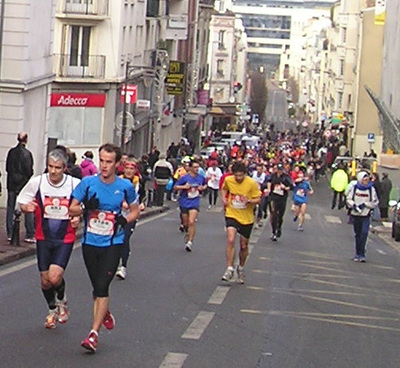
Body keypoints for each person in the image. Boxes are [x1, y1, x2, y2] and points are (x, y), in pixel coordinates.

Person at [69, 143, 140, 353]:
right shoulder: (88, 183)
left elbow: (135, 211)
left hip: (113, 243)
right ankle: (104, 311)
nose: (104, 166)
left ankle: (93, 334)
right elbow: (71, 208)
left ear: (117, 164)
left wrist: (124, 220)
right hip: (90, 242)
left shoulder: (125, 186)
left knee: (102, 286)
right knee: (96, 287)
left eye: (109, 162)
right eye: (102, 161)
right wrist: (84, 207)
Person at [17, 149, 81, 328]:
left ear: (65, 168)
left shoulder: (74, 184)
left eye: (58, 168)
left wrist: (77, 216)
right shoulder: (37, 182)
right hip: (43, 236)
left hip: (65, 236)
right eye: (50, 167)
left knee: (55, 277)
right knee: (45, 281)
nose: (53, 171)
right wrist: (26, 207)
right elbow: (22, 201)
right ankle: (52, 309)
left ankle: (62, 300)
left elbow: (83, 206)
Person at [221, 161, 261, 284]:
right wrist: (224, 199)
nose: (238, 178)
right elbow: (224, 189)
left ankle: (241, 267)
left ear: (244, 174)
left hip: (246, 217)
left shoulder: (251, 183)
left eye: (241, 175)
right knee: (231, 239)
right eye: (236, 175)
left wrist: (250, 201)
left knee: (243, 245)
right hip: (232, 213)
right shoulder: (228, 180)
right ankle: (229, 269)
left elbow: (258, 199)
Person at [116, 156, 145, 280]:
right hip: (118, 213)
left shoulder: (139, 182)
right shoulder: (117, 180)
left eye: (131, 169)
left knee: (125, 238)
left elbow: (142, 196)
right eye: (126, 168)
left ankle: (123, 266)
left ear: (135, 171)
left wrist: (142, 204)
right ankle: (115, 261)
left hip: (131, 214)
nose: (128, 171)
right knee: (115, 239)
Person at [6, 132, 35, 242]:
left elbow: (7, 168)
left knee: (10, 207)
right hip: (23, 184)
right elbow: (29, 170)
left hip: (12, 183)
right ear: (26, 140)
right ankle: (29, 233)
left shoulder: (11, 152)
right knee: (27, 208)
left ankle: (10, 232)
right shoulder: (27, 154)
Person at [174, 159, 207, 252]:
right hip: (184, 201)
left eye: (198, 167)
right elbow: (175, 187)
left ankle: (189, 242)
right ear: (190, 168)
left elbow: (205, 185)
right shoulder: (185, 178)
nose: (197, 169)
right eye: (195, 167)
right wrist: (184, 187)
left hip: (194, 202)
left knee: (192, 221)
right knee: (186, 223)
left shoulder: (201, 177)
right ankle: (187, 232)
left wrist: (202, 188)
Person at [346, 171, 379, 262]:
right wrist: (354, 205)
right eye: (364, 179)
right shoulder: (355, 188)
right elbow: (349, 199)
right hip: (356, 214)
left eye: (367, 179)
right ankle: (357, 253)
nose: (366, 181)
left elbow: (375, 202)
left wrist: (365, 204)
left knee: (364, 233)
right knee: (358, 234)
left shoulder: (371, 189)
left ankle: (362, 253)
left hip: (366, 215)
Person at [266, 163, 292, 241]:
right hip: (273, 197)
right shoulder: (272, 176)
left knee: (280, 216)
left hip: (282, 198)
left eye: (281, 170)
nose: (280, 172)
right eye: (278, 170)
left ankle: (279, 227)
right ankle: (274, 232)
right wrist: (268, 188)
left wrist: (286, 188)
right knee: (274, 214)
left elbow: (292, 186)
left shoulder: (286, 177)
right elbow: (268, 181)